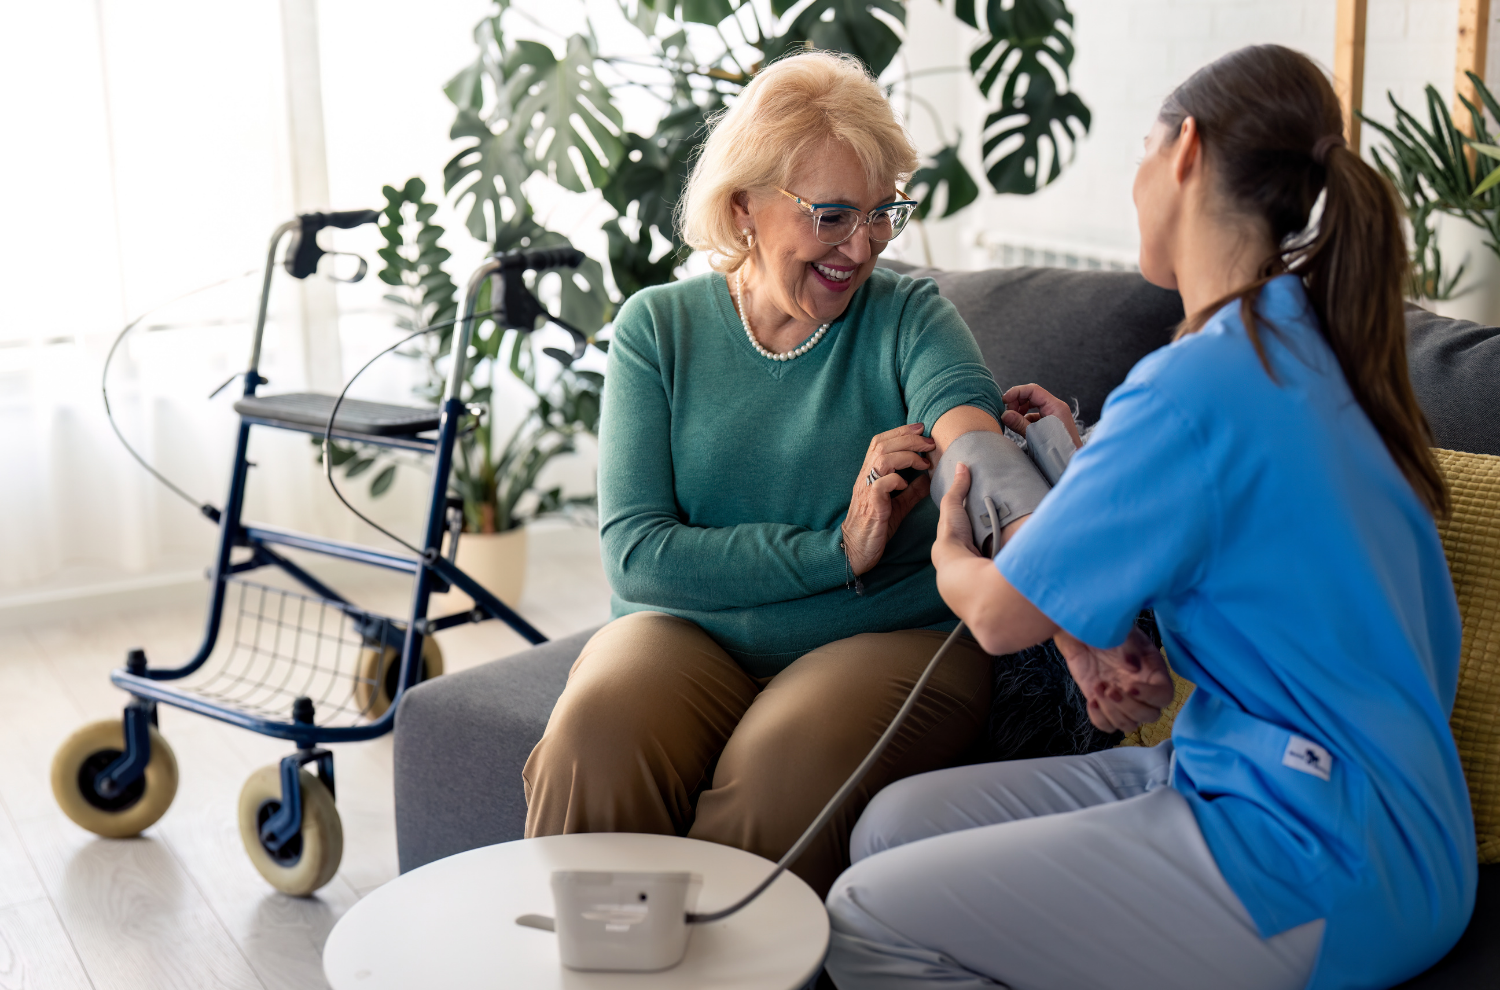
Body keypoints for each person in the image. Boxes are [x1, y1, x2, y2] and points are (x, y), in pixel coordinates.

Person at [823, 44, 1476, 990]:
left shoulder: (1199, 385)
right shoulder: (1315, 347)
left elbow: (1003, 618)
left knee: (866, 913)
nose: (1135, 178)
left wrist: (952, 546)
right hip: (1339, 807)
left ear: (1185, 153)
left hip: (1319, 853)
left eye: (1140, 149)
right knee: (889, 826)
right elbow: (1260, 574)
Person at [523, 50, 1022, 896]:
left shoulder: (909, 317)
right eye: (831, 216)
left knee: (778, 772)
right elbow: (639, 557)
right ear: (743, 205)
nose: (861, 247)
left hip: (885, 638)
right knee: (592, 740)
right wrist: (836, 550)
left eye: (881, 214)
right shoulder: (658, 330)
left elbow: (975, 440)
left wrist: (1069, 586)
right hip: (687, 631)